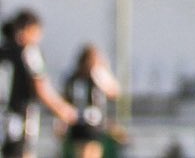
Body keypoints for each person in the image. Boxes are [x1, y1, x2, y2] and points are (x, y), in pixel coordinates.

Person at [1, 12, 77, 158]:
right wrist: (63, 109)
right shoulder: (30, 52)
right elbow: (41, 86)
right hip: (20, 117)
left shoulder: (4, 50)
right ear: (29, 29)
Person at [61, 44, 120, 158]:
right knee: (84, 152)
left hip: (96, 124)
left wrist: (102, 74)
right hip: (80, 123)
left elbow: (114, 92)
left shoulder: (99, 76)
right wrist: (63, 122)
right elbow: (66, 99)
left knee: (95, 151)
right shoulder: (74, 79)